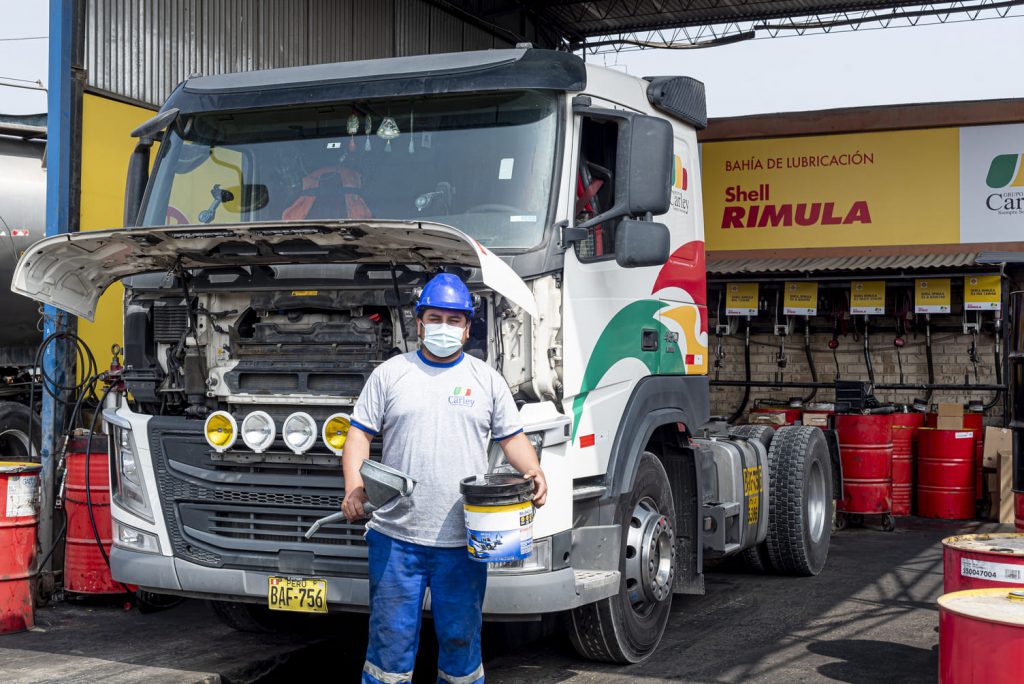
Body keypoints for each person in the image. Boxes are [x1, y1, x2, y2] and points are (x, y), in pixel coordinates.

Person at [341, 272, 547, 684]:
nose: (444, 327)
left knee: (460, 640)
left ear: (468, 328)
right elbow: (358, 434)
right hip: (396, 537)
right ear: (419, 324)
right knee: (390, 644)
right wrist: (353, 487)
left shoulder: (485, 379)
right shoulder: (390, 374)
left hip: (462, 540)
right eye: (435, 318)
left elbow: (512, 438)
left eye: (454, 320)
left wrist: (533, 470)